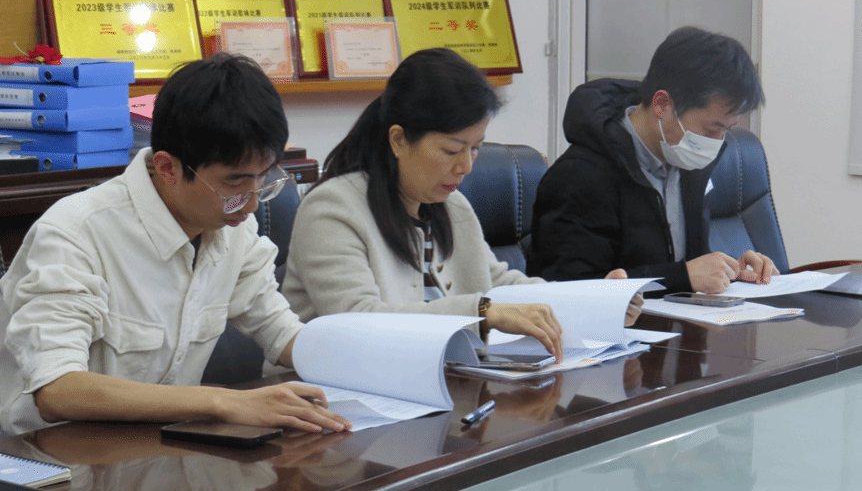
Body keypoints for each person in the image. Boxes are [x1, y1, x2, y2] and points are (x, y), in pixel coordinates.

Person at [0, 53, 350, 436]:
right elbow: (58, 390)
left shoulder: (233, 228)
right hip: (54, 453)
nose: (251, 205)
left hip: (165, 445)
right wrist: (224, 402)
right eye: (234, 183)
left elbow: (279, 331)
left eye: (263, 179)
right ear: (168, 168)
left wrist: (373, 369)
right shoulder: (76, 233)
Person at [281, 48, 642, 363]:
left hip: (441, 379)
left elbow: (500, 284)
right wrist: (481, 313)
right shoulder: (331, 210)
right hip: (334, 396)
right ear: (399, 140)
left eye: (476, 149)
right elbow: (358, 320)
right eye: (452, 150)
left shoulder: (452, 206)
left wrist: (594, 302)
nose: (466, 167)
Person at [528, 26, 778, 294]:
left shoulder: (686, 161)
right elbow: (569, 291)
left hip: (677, 319)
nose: (716, 143)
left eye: (727, 130)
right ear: (662, 105)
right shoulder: (579, 176)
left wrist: (732, 272)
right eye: (710, 130)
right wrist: (681, 277)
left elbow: (691, 265)